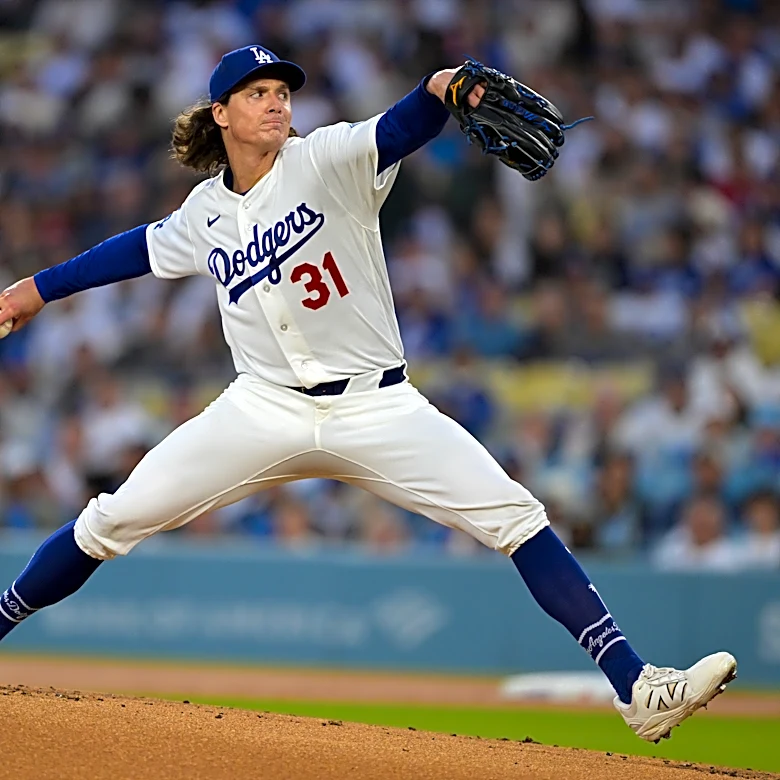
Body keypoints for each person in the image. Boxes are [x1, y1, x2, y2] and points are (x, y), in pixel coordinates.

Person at [0, 45, 736, 742]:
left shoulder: (327, 158)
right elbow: (135, 248)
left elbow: (401, 125)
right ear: (220, 113)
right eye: (256, 94)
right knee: (111, 520)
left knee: (516, 515)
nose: (276, 103)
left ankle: (637, 688)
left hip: (377, 406)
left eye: (282, 92)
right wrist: (38, 287)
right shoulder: (205, 213)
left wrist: (441, 89)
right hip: (263, 407)